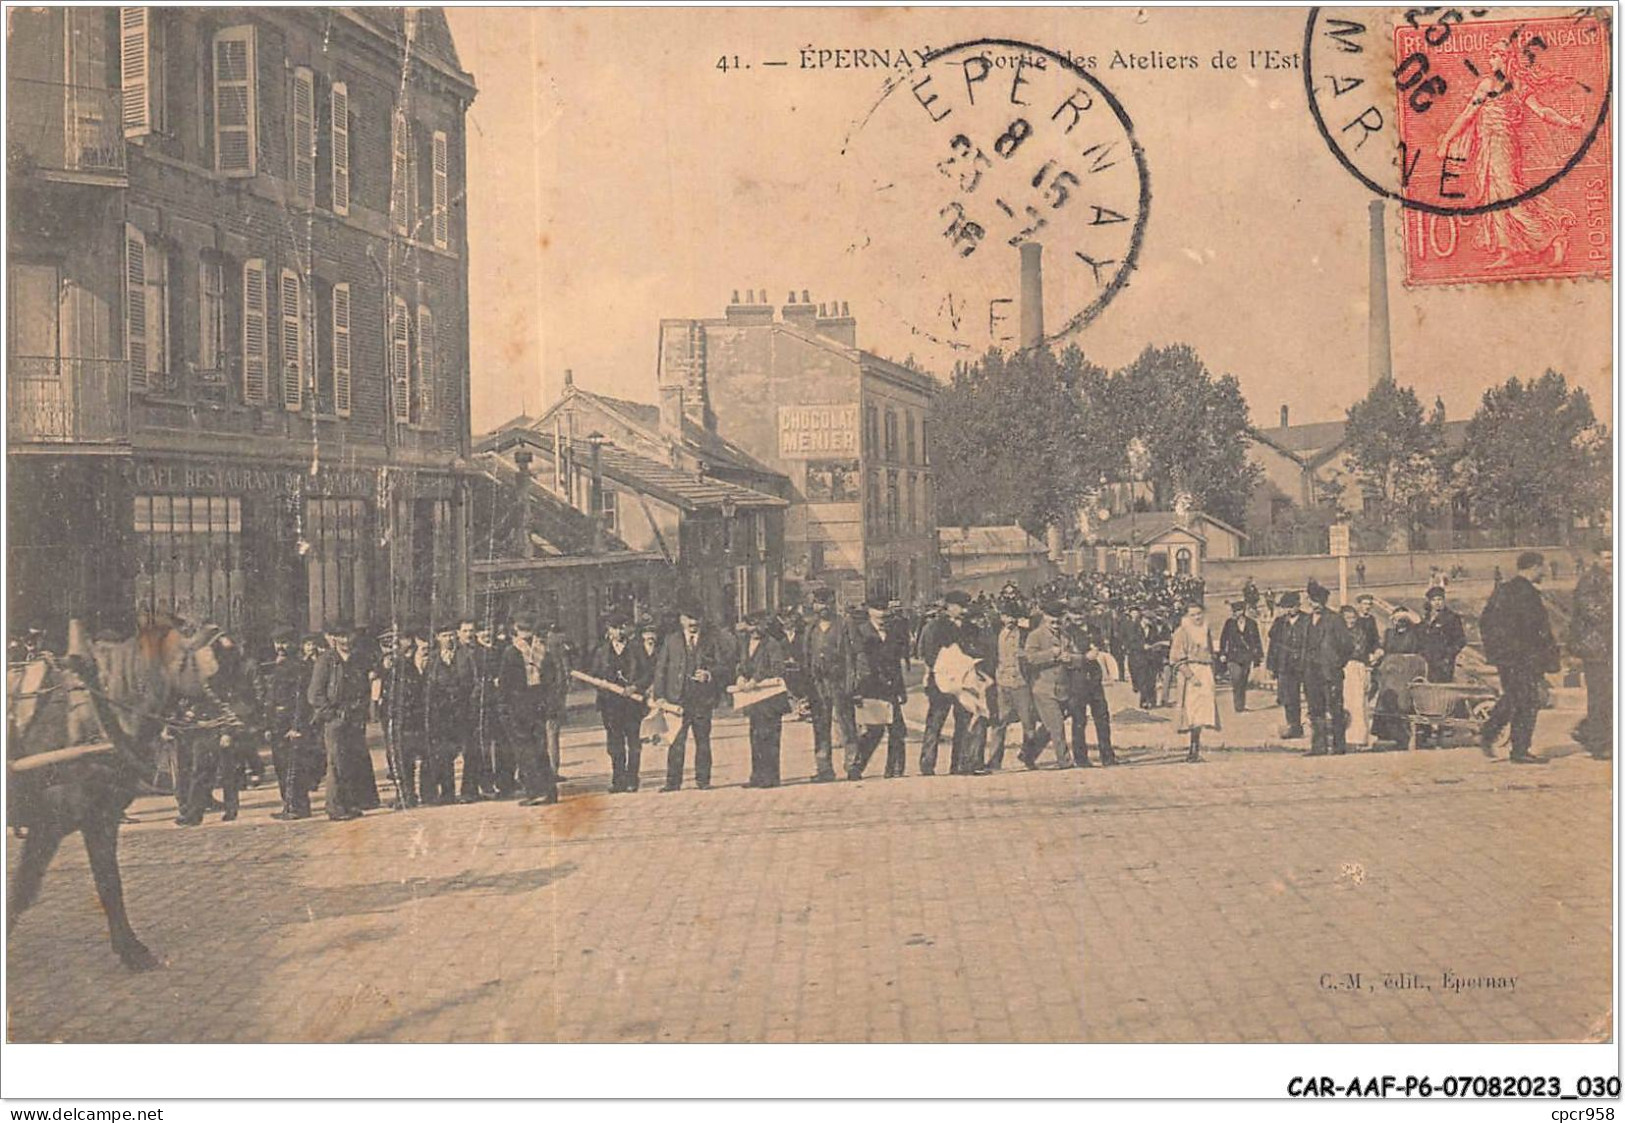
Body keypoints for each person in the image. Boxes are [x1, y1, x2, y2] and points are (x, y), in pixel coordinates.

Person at [1478, 551, 1559, 764]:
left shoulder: (1504, 590)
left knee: (1514, 697)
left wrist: (1498, 653)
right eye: (1542, 567)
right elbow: (1538, 631)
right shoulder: (1527, 594)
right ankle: (1518, 749)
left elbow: (1485, 622)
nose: (1544, 572)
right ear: (1533, 567)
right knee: (1527, 701)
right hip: (1524, 658)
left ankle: (1492, 733)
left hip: (1508, 658)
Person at [651, 605, 734, 792]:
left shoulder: (711, 641)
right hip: (676, 700)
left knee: (702, 741)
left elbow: (724, 666)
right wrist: (660, 696)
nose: (693, 623)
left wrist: (709, 674)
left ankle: (703, 780)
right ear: (681, 619)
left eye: (697, 618)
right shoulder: (671, 640)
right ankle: (673, 782)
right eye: (689, 618)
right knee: (675, 742)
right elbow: (661, 669)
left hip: (702, 700)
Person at [307, 620, 371, 822]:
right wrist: (331, 715)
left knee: (351, 762)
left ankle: (350, 804)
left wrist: (361, 709)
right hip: (335, 720)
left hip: (354, 718)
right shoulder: (326, 661)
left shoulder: (357, 659)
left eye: (348, 635)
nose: (345, 640)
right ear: (334, 638)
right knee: (335, 764)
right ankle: (334, 807)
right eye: (341, 636)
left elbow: (364, 687)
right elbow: (314, 694)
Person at [497, 612, 560, 806]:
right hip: (538, 704)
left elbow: (505, 683)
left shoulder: (511, 652)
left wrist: (503, 708)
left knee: (525, 751)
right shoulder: (543, 651)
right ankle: (549, 791)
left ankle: (535, 791)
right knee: (540, 749)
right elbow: (551, 680)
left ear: (516, 630)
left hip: (518, 707)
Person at [848, 596, 909, 780]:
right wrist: (857, 690)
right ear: (869, 611)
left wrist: (901, 689)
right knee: (874, 730)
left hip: (890, 686)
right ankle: (857, 767)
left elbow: (896, 663)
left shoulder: (894, 631)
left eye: (884, 609)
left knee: (897, 729)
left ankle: (895, 769)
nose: (882, 614)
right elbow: (856, 663)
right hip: (871, 686)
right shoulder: (860, 631)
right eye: (877, 609)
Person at [917, 589, 976, 776]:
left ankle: (959, 764)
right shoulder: (934, 626)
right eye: (961, 606)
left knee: (964, 722)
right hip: (941, 682)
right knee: (935, 722)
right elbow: (927, 653)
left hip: (964, 682)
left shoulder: (969, 626)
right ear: (949, 606)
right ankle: (927, 764)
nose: (965, 610)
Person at [589, 611, 649, 793]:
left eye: (622, 627)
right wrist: (603, 687)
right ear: (609, 630)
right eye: (615, 628)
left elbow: (648, 673)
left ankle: (632, 779)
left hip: (632, 703)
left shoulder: (637, 648)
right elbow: (594, 675)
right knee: (614, 744)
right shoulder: (601, 651)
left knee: (633, 742)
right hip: (610, 704)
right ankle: (618, 780)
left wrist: (635, 687)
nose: (619, 631)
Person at [803, 588, 854, 783]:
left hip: (839, 681)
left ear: (834, 604)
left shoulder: (844, 625)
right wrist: (807, 687)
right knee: (820, 726)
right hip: (818, 684)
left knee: (846, 724)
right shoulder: (811, 628)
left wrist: (852, 682)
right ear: (814, 605)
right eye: (819, 603)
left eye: (827, 603)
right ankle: (824, 769)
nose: (823, 607)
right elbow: (806, 657)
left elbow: (854, 654)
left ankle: (852, 765)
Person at [261, 626, 312, 819]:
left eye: (284, 642)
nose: (280, 646)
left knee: (293, 767)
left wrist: (297, 726)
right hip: (277, 723)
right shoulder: (279, 666)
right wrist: (268, 725)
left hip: (290, 723)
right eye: (277, 642)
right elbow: (271, 698)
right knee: (281, 766)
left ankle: (297, 807)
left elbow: (301, 699)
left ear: (294, 644)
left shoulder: (299, 667)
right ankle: (289, 805)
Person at [736, 610, 791, 788]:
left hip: (770, 698)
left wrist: (756, 679)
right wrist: (740, 676)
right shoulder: (744, 643)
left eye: (757, 626)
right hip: (753, 698)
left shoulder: (772, 644)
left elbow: (777, 667)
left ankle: (771, 776)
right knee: (755, 736)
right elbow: (740, 664)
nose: (754, 631)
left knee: (770, 737)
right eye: (750, 626)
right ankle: (757, 775)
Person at [1020, 600, 1075, 770]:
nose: (1056, 625)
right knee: (1057, 725)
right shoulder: (1035, 635)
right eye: (1052, 622)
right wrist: (1051, 654)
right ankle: (1064, 761)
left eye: (1059, 622)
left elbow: (1071, 653)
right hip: (1043, 688)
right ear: (1045, 618)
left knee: (1049, 726)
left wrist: (1069, 658)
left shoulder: (1065, 635)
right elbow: (1030, 658)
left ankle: (1027, 754)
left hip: (1062, 688)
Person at [1569, 545, 1612, 760]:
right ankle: (1598, 743)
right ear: (1597, 558)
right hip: (1596, 649)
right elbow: (1594, 612)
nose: (1611, 562)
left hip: (1610, 647)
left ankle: (1588, 732)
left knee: (1609, 696)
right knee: (1600, 696)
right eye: (1607, 557)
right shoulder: (1589, 581)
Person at [379, 627, 428, 809]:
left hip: (405, 718)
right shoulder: (382, 666)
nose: (389, 651)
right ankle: (403, 793)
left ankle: (407, 795)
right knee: (395, 758)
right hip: (390, 718)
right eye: (385, 646)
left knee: (403, 757)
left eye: (392, 645)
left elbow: (413, 691)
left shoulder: (405, 666)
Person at [1302, 582, 1354, 755]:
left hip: (1330, 672)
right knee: (1315, 710)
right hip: (1311, 672)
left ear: (1323, 602)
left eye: (1317, 601)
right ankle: (1318, 747)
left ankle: (1339, 746)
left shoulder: (1335, 619)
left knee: (1335, 709)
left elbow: (1347, 645)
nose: (1313, 604)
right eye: (1311, 600)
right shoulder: (1307, 620)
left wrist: (1337, 663)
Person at [988, 596, 1037, 771]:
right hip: (1002, 683)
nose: (1008, 620)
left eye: (1011, 616)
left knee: (1028, 722)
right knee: (999, 723)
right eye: (1005, 616)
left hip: (1021, 683)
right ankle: (994, 760)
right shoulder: (995, 634)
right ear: (1001, 617)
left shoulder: (1025, 634)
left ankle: (1029, 757)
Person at [1063, 599, 1115, 766]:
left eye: (1080, 612)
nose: (1078, 616)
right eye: (1074, 613)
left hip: (1094, 679)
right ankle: (1081, 758)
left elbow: (1101, 647)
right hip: (1076, 679)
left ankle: (1107, 756)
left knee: (1102, 717)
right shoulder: (1066, 632)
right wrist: (1084, 657)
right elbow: (1065, 657)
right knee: (1079, 720)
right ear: (1069, 614)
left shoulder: (1094, 629)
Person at [1170, 602, 1219, 763]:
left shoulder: (1205, 630)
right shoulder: (1182, 632)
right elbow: (1176, 657)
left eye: (1199, 614)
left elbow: (1210, 652)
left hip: (1205, 671)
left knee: (1203, 711)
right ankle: (1192, 749)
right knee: (1192, 710)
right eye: (1193, 615)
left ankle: (1196, 747)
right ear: (1187, 616)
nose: (1197, 617)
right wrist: (1190, 676)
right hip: (1191, 672)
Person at [422, 624, 466, 805]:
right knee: (433, 754)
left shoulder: (463, 656)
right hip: (435, 714)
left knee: (449, 752)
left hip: (455, 712)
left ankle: (448, 793)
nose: (448, 639)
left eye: (451, 635)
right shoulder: (431, 659)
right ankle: (429, 794)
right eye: (444, 635)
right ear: (437, 638)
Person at [454, 618, 489, 802]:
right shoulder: (454, 653)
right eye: (465, 631)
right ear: (458, 633)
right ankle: (467, 790)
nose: (469, 634)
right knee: (467, 749)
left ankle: (474, 789)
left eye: (471, 631)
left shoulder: (481, 652)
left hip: (478, 707)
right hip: (461, 707)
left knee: (476, 748)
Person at [1266, 592, 1308, 739]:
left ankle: (1313, 726)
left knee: (1311, 695)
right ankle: (1293, 726)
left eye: (1291, 607)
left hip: (1305, 664)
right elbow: (1273, 646)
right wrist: (1271, 666)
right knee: (1289, 698)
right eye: (1285, 607)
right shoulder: (1279, 622)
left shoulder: (1307, 620)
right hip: (1285, 665)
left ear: (1298, 605)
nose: (1289, 610)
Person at [1218, 600, 1263, 712]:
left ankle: (1241, 705)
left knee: (1243, 680)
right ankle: (1238, 706)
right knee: (1236, 679)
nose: (1236, 613)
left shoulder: (1252, 623)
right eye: (1234, 611)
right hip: (1233, 656)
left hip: (1246, 656)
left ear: (1243, 611)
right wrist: (1222, 653)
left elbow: (1257, 641)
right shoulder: (1229, 623)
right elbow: (1223, 639)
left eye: (1238, 611)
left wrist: (1258, 656)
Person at [1340, 604, 1373, 749]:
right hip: (1344, 668)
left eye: (1353, 617)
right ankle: (1347, 736)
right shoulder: (1339, 632)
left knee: (1359, 702)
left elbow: (1363, 650)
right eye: (1347, 617)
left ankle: (1359, 737)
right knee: (1347, 702)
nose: (1351, 620)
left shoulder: (1360, 632)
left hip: (1358, 667)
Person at [1419, 586, 1467, 684]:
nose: (1437, 603)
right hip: (1427, 660)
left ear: (1444, 601)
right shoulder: (1426, 618)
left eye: (1439, 599)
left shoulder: (1452, 618)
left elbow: (1461, 640)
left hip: (1443, 662)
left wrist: (1449, 655)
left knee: (1441, 691)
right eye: (1433, 600)